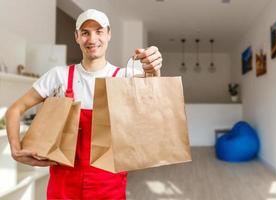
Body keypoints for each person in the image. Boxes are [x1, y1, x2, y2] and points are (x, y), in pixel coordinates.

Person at [5, 9, 163, 199]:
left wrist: (153, 69)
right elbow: (15, 109)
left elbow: (153, 96)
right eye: (85, 32)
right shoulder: (59, 76)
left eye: (99, 31)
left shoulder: (124, 77)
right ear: (77, 37)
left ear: (109, 34)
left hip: (109, 187)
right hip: (63, 186)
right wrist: (15, 149)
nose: (92, 38)